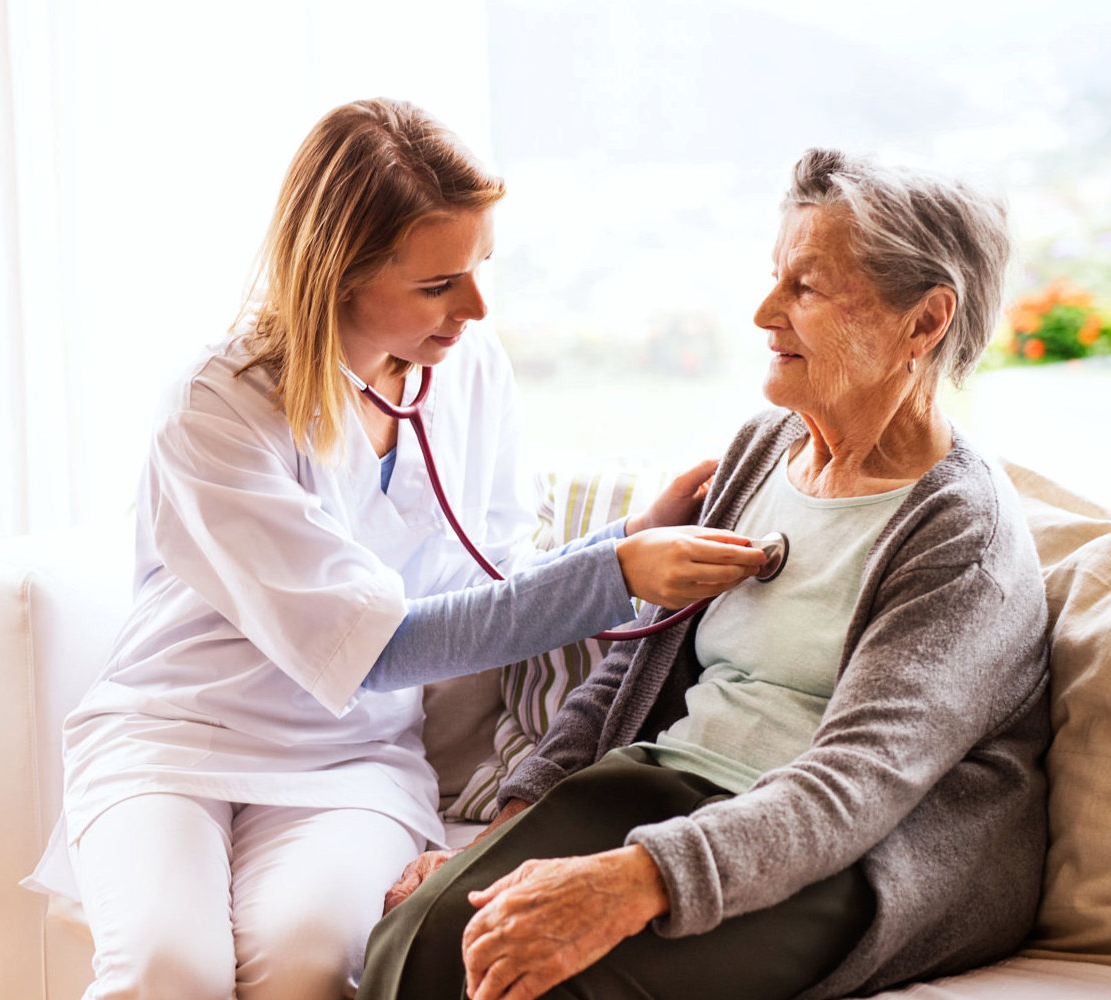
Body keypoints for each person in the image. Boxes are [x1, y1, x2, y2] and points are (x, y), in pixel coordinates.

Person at [23, 98, 769, 1000]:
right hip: (174, 734)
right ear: (337, 276)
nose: (476, 307)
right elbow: (384, 646)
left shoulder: (469, 371)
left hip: (350, 758)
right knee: (165, 970)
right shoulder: (217, 406)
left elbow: (489, 578)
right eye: (437, 285)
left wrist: (630, 534)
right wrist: (611, 575)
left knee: (304, 966)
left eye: (480, 266)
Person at [365, 148, 1052, 1000]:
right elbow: (633, 668)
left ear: (924, 321)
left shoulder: (960, 533)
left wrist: (626, 882)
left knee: (534, 977)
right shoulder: (763, 450)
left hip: (852, 855)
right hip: (669, 784)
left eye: (805, 288)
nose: (765, 313)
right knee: (421, 929)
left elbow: (858, 782)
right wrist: (509, 822)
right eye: (775, 277)